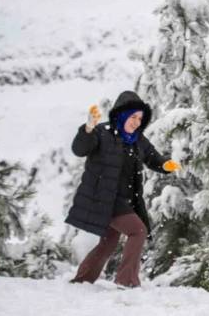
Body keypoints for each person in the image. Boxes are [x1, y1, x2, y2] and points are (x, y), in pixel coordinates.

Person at [66, 90, 181, 288]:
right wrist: (88, 128)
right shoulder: (102, 132)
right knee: (138, 231)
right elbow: (80, 149)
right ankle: (126, 281)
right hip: (105, 199)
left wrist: (165, 165)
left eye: (140, 118)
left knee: (109, 241)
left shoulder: (137, 140)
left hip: (124, 200)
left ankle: (82, 280)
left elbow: (153, 157)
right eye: (133, 117)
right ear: (121, 114)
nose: (136, 122)